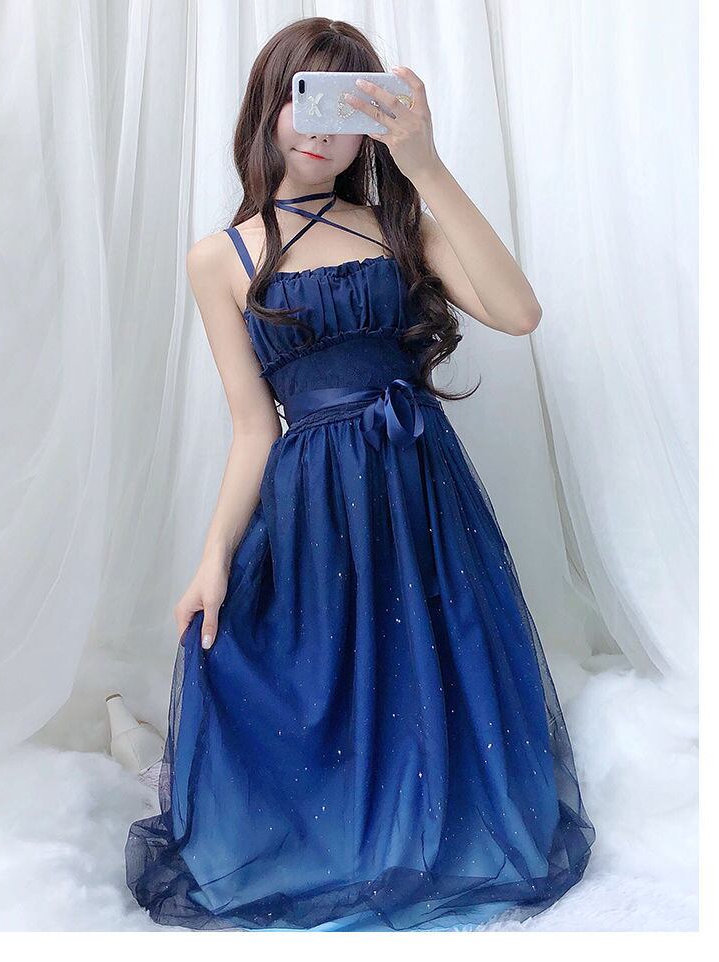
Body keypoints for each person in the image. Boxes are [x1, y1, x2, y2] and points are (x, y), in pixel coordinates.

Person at [125, 17, 595, 932]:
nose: (320, 130)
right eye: (304, 101)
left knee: (434, 667)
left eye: (345, 110)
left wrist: (424, 163)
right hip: (313, 503)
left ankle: (427, 820)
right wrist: (212, 558)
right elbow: (253, 426)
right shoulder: (219, 258)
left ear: (369, 127)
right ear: (267, 108)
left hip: (421, 486)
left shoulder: (397, 223)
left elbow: (519, 312)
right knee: (310, 675)